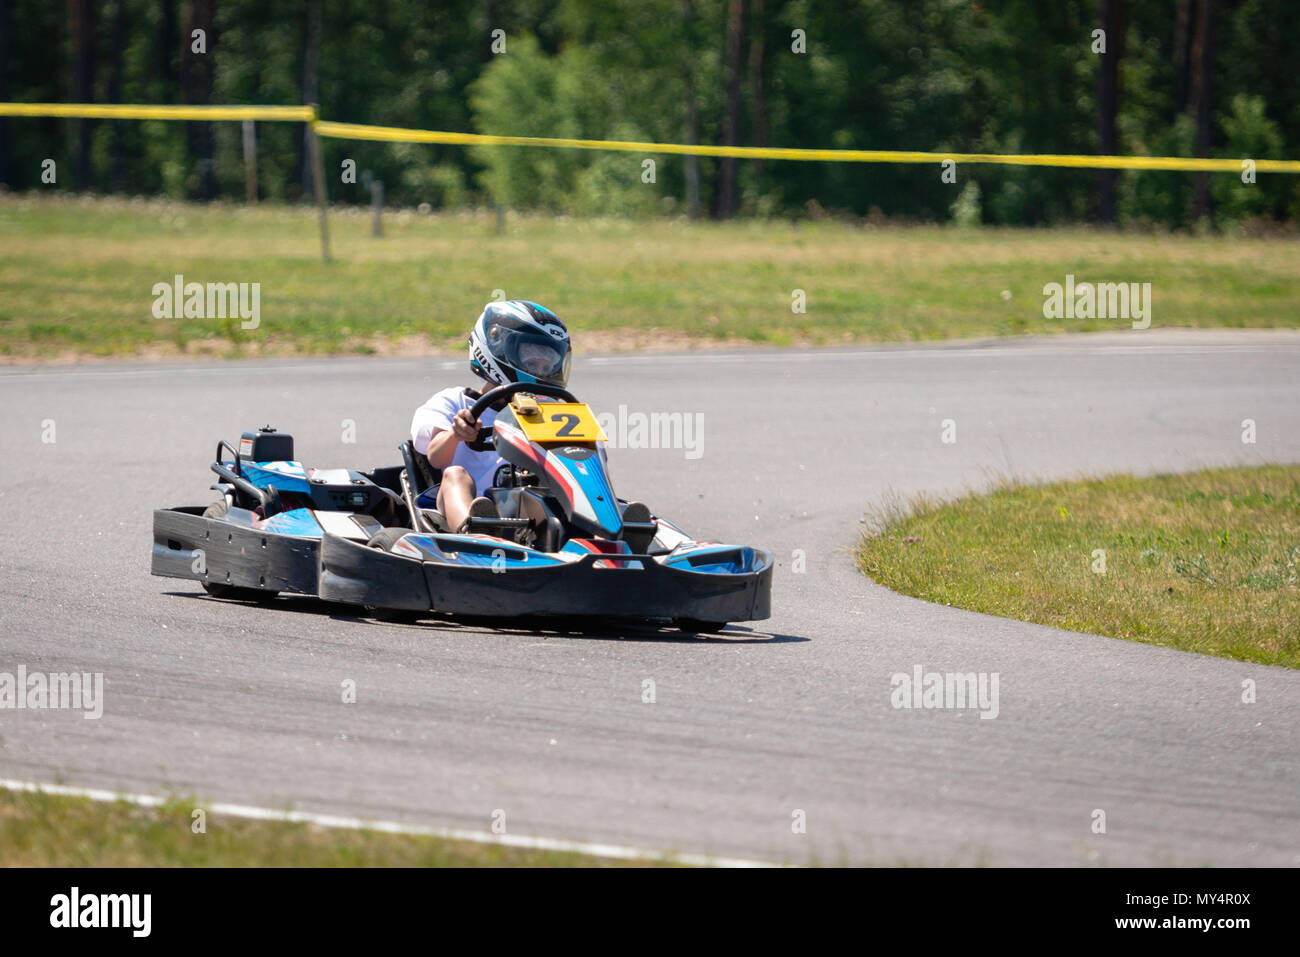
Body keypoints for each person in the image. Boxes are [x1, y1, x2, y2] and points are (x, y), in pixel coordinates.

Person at [410, 300, 573, 532]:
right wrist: (456, 434)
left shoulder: (551, 414)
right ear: (498, 349)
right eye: (532, 363)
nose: (539, 373)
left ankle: (609, 530)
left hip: (523, 512)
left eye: (546, 368)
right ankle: (475, 532)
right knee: (455, 474)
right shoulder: (455, 401)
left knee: (552, 486)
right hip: (456, 509)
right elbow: (436, 458)